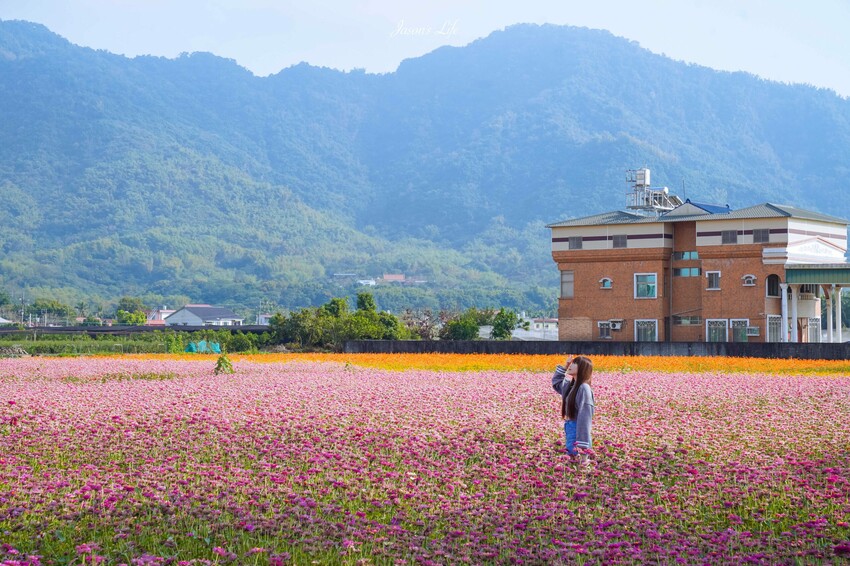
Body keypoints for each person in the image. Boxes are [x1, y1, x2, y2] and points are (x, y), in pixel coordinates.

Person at [552, 355, 595, 464]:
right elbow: (556, 383)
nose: (571, 365)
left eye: (574, 363)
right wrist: (565, 366)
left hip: (578, 430)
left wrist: (583, 447)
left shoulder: (583, 388)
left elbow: (585, 418)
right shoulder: (572, 386)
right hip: (571, 427)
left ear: (582, 368)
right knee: (572, 462)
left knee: (577, 463)